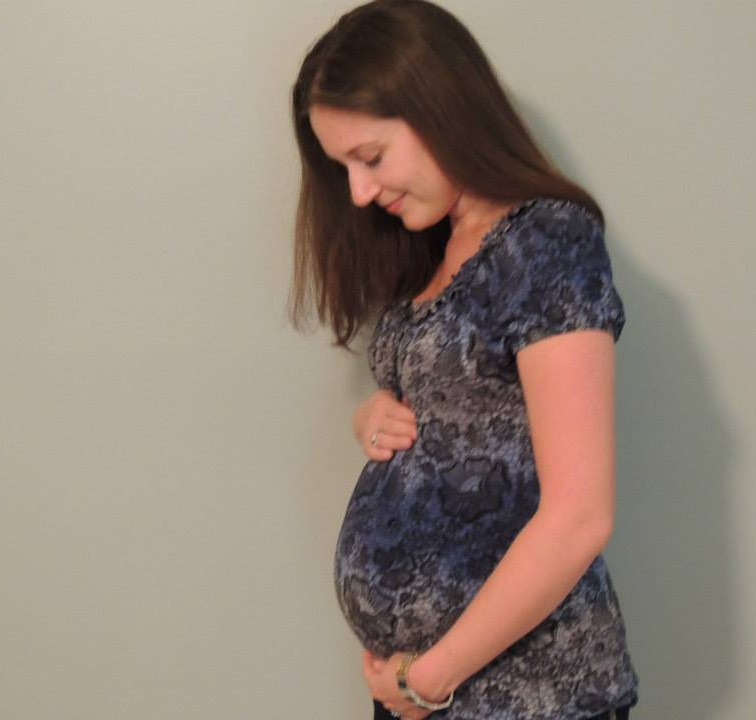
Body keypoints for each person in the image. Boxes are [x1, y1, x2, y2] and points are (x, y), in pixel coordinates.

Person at [289, 1, 639, 718]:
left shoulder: (547, 244)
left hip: (530, 697)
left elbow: (579, 515)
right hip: (427, 690)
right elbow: (458, 404)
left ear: (439, 109)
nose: (359, 192)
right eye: (342, 167)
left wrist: (427, 680)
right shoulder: (434, 244)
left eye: (370, 158)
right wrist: (371, 416)